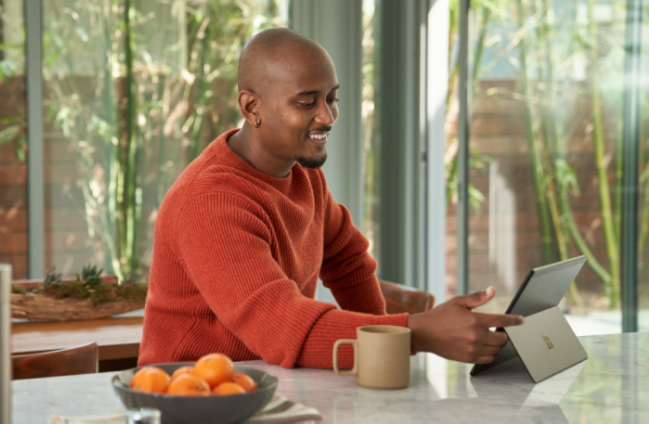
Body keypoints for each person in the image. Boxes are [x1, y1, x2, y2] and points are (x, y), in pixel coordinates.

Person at [138, 28, 523, 369]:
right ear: (251, 107)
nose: (327, 116)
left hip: (262, 393)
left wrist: (384, 353)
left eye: (332, 98)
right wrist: (414, 333)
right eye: (306, 102)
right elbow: (282, 327)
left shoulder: (305, 177)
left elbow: (348, 261)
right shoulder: (211, 201)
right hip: (190, 403)